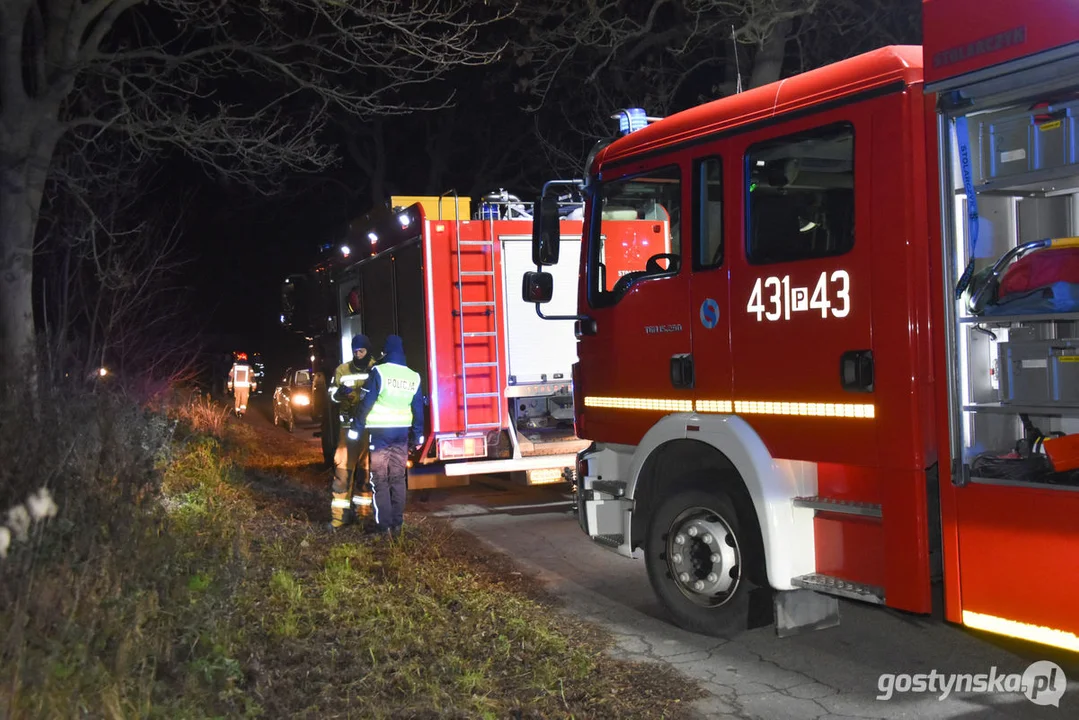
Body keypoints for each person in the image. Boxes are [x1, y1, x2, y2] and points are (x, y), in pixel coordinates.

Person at [351, 335, 424, 538]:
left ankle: (384, 527)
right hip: (402, 434)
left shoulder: (379, 372)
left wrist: (356, 428)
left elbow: (366, 403)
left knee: (380, 479)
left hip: (381, 434)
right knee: (398, 479)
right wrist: (418, 436)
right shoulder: (414, 376)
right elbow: (418, 407)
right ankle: (397, 524)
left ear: (386, 351)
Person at [327, 334, 375, 529]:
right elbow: (332, 394)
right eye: (355, 351)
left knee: (366, 474)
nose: (358, 355)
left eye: (361, 351)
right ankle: (338, 518)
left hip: (369, 428)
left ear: (367, 351)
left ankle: (363, 515)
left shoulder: (376, 368)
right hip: (347, 431)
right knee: (342, 473)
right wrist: (339, 394)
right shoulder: (342, 370)